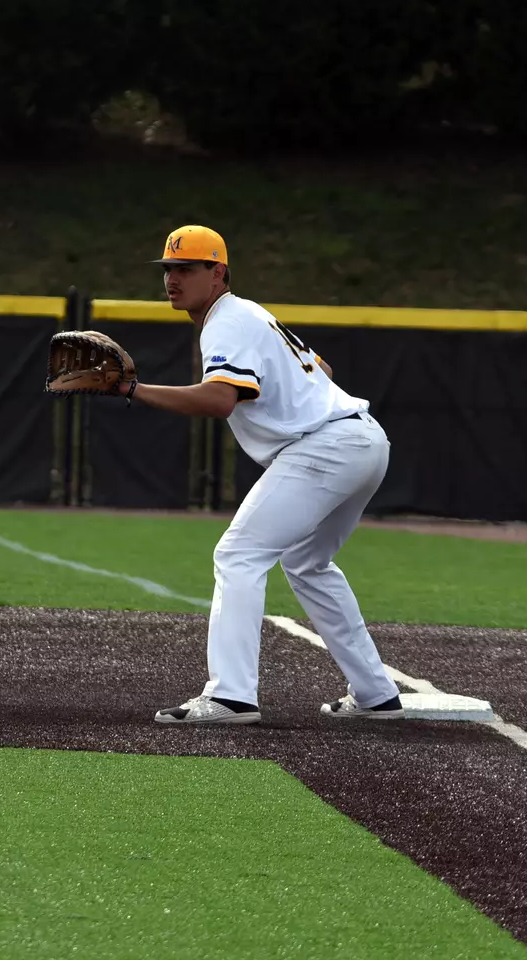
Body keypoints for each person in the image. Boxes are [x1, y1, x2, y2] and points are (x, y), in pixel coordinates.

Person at [126, 225, 402, 724]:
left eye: (187, 269)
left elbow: (218, 400)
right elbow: (325, 370)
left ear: (218, 273)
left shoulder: (225, 321)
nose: (173, 279)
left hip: (326, 448)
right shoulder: (251, 314)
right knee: (307, 563)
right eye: (169, 269)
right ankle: (376, 694)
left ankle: (231, 696)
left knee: (238, 554)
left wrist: (133, 390)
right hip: (364, 441)